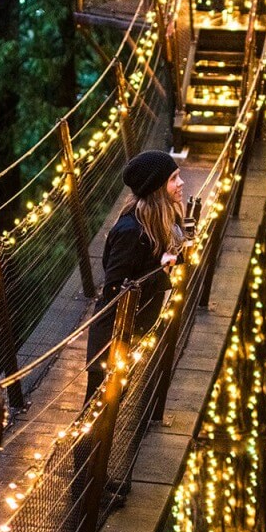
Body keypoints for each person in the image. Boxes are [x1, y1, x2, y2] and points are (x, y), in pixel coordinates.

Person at [85, 149, 185, 403]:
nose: (181, 183)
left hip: (135, 328)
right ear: (156, 187)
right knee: (98, 408)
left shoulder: (161, 220)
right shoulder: (131, 231)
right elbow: (113, 291)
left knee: (117, 402)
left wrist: (173, 259)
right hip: (113, 337)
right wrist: (160, 271)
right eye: (174, 178)